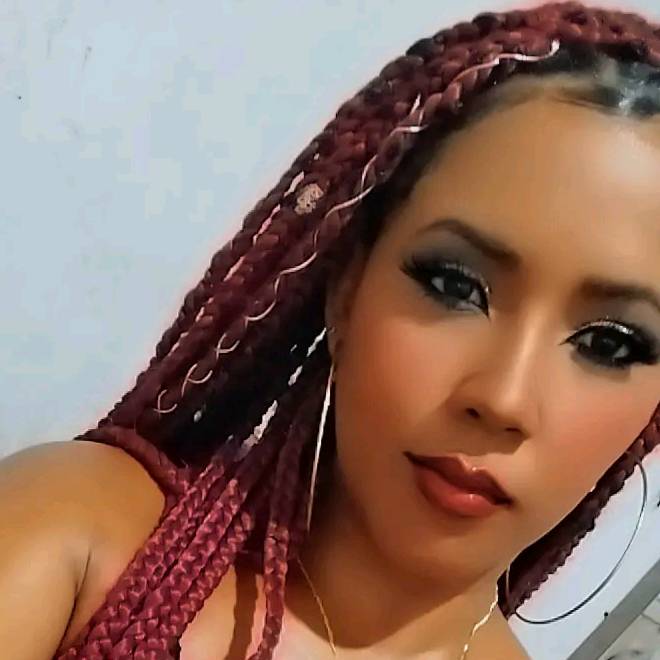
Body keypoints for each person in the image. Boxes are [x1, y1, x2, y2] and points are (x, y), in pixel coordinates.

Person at [1, 1, 659, 658]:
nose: (503, 398)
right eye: (455, 285)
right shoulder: (86, 550)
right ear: (347, 285)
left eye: (609, 344)